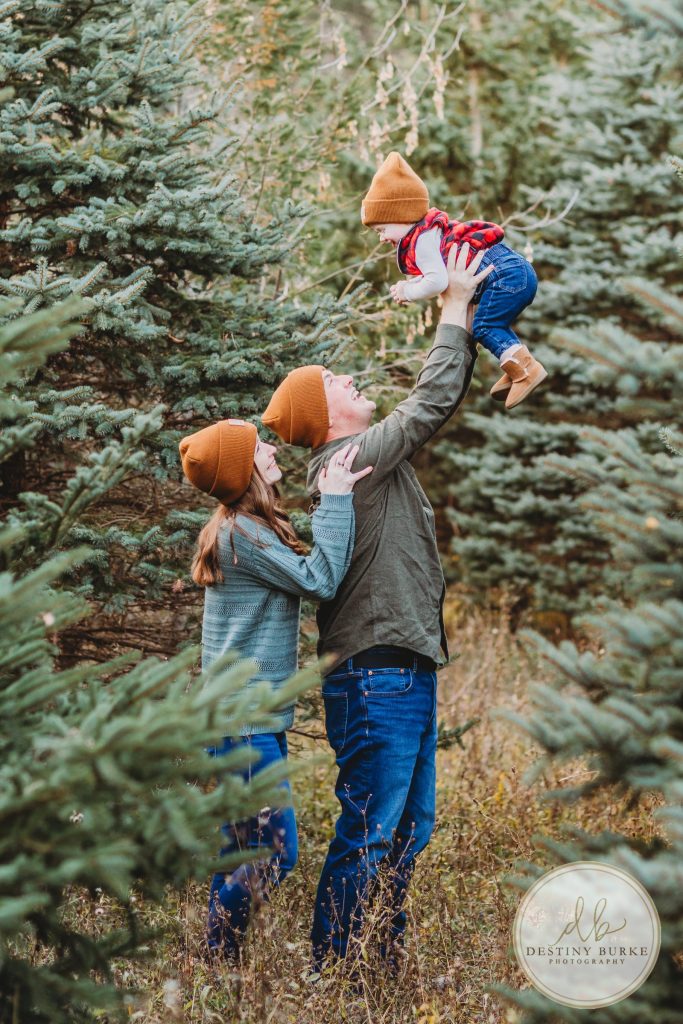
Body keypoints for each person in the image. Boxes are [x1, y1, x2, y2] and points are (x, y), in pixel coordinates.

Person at [261, 242, 491, 970]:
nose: (351, 375)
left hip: (403, 669)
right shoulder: (345, 462)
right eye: (335, 378)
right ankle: (334, 968)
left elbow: (430, 404)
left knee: (408, 829)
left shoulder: (361, 461)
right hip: (373, 677)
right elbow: (428, 404)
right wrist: (452, 306)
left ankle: (376, 960)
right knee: (370, 829)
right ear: (321, 414)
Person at [179, 418, 371, 959]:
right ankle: (218, 954)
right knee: (276, 851)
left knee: (239, 847)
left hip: (243, 718)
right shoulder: (243, 533)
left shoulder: (241, 526)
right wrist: (334, 498)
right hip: (244, 720)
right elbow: (320, 579)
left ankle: (217, 966)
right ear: (243, 470)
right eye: (256, 446)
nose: (268, 447)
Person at [362, 150, 547, 409]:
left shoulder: (423, 240)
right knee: (491, 325)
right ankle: (513, 360)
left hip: (507, 277)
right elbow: (438, 275)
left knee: (484, 327)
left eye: (381, 229)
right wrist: (409, 284)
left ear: (402, 215)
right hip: (513, 272)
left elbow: (437, 282)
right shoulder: (431, 232)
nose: (381, 238)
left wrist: (408, 292)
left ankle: (526, 370)